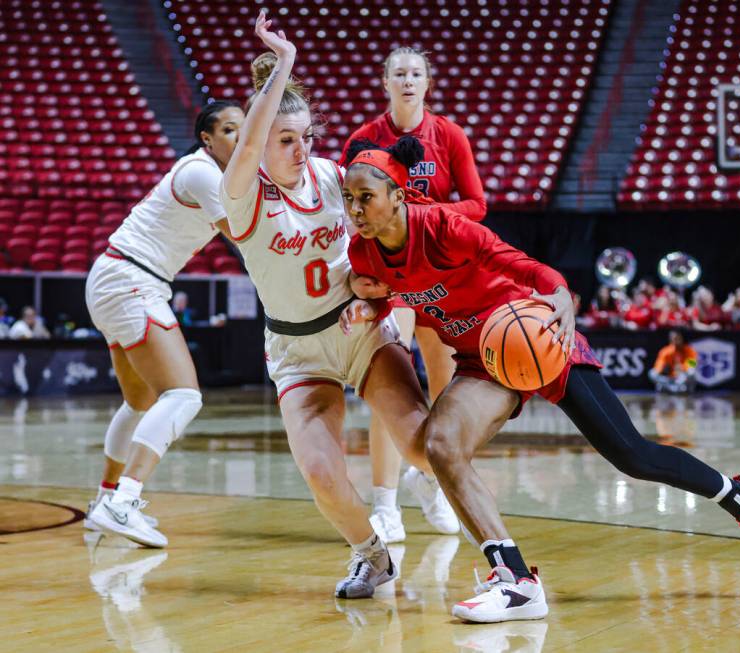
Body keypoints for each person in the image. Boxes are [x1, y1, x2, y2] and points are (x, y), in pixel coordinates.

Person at [342, 135, 740, 623]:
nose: (355, 209)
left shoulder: (446, 226)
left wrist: (559, 293)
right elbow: (397, 293)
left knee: (632, 455)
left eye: (365, 197)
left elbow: (524, 265)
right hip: (482, 360)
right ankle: (515, 580)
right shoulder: (364, 254)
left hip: (534, 336)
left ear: (399, 194)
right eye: (348, 199)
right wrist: (368, 304)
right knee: (441, 444)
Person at [218, 11, 452, 600]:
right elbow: (248, 142)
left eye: (307, 138)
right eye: (286, 140)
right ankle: (372, 556)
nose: (301, 150)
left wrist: (387, 295)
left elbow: (388, 241)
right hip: (296, 350)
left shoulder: (334, 177)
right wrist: (286, 63)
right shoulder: (242, 195)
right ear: (263, 138)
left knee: (427, 446)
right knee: (322, 474)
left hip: (360, 332)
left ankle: (451, 505)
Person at [84, 99, 246, 547]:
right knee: (184, 395)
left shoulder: (217, 175)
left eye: (245, 129)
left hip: (115, 275)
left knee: (139, 401)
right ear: (207, 139)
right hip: (131, 279)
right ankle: (123, 501)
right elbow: (243, 237)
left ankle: (105, 498)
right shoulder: (202, 173)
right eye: (230, 129)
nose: (240, 136)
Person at [338, 46, 480, 543]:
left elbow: (478, 204)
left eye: (416, 72)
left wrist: (427, 216)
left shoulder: (449, 135)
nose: (407, 79)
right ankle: (385, 504)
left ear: (427, 82)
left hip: (437, 272)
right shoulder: (363, 139)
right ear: (385, 82)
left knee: (443, 389)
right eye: (398, 72)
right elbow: (346, 205)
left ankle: (430, 482)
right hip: (391, 273)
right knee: (394, 386)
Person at [649, 329, 698, 393]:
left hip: (682, 378)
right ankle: (672, 389)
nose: (676, 341)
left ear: (682, 338)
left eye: (678, 338)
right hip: (670, 379)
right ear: (670, 340)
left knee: (692, 372)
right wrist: (663, 368)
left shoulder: (690, 351)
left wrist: (682, 367)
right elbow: (658, 367)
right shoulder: (665, 351)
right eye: (673, 339)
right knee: (652, 373)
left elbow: (692, 365)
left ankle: (677, 389)